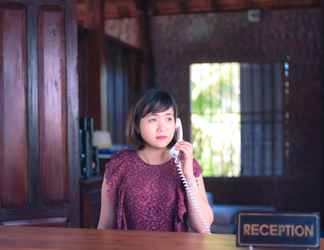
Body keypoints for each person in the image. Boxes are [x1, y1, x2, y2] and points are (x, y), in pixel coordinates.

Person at [97, 89, 214, 233]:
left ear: (176, 125)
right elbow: (105, 225)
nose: (162, 128)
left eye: (168, 118)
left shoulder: (186, 163)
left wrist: (188, 175)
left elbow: (203, 227)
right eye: (153, 119)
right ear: (137, 125)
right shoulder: (119, 164)